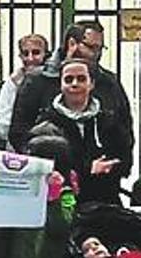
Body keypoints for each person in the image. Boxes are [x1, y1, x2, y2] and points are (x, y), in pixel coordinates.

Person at [9, 21, 134, 157]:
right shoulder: (38, 80)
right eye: (91, 47)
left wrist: (115, 166)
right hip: (53, 173)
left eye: (99, 48)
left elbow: (124, 130)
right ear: (72, 44)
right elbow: (19, 133)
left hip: (102, 173)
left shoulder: (108, 82)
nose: (96, 54)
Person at [37, 58, 130, 204]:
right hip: (63, 206)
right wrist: (89, 170)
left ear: (91, 83)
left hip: (105, 203)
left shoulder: (109, 120)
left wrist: (100, 170)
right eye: (68, 79)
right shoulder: (46, 124)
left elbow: (124, 162)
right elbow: (46, 170)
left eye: (81, 79)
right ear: (60, 85)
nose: (74, 84)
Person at [0, 34, 49, 142]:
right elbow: (4, 117)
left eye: (36, 53)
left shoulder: (52, 80)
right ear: (20, 56)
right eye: (25, 54)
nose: (30, 58)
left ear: (46, 54)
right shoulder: (12, 82)